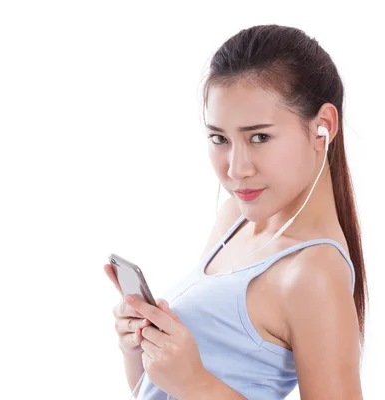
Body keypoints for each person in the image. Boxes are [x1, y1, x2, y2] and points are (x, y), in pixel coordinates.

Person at [105, 24, 367, 400]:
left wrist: (195, 382)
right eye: (219, 139)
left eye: (259, 137)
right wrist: (141, 348)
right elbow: (157, 392)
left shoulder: (313, 274)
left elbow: (193, 388)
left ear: (322, 127)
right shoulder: (236, 219)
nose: (235, 167)